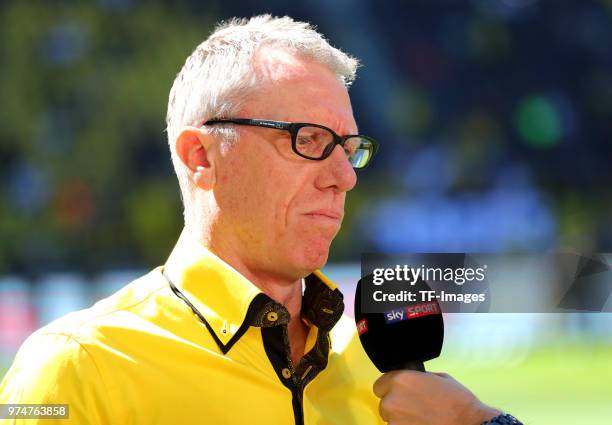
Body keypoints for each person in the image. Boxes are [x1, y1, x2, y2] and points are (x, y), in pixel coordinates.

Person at [0, 15, 522, 425]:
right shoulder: (74, 368)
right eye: (309, 140)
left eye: (349, 148)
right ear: (200, 156)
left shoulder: (392, 384)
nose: (344, 175)